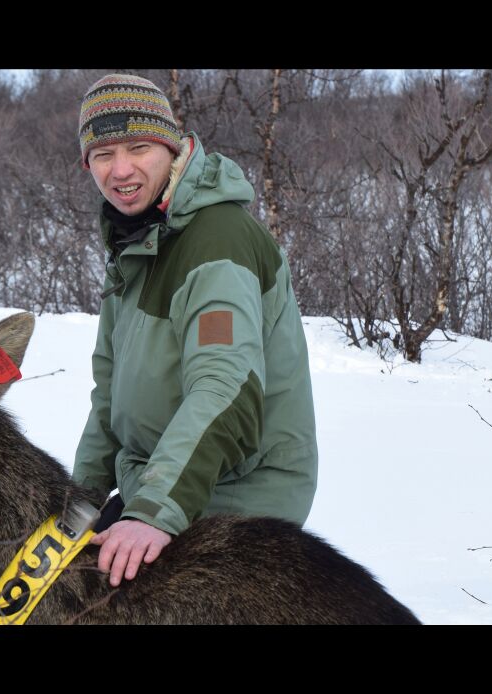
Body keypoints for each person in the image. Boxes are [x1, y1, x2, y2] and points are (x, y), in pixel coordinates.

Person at [72, 74, 318, 588]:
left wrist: (152, 514)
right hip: (160, 485)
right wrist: (78, 504)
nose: (121, 170)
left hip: (237, 496)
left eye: (138, 147)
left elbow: (225, 388)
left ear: (172, 147)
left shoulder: (216, 241)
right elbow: (109, 393)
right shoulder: (136, 242)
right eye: (103, 154)